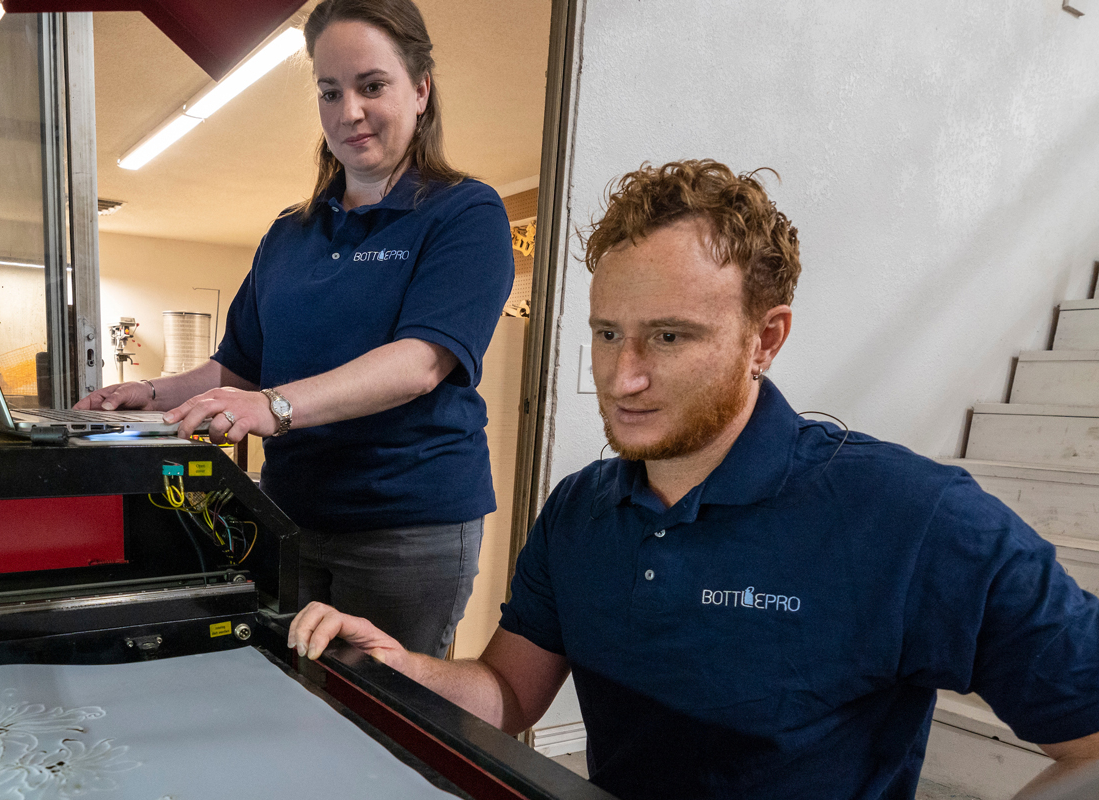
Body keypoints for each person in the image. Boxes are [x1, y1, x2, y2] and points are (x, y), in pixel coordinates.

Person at [287, 160, 1099, 799]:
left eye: (669, 337)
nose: (621, 377)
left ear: (764, 339)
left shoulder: (915, 520)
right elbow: (508, 693)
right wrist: (402, 669)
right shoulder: (581, 511)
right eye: (608, 333)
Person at [74, 0, 513, 657]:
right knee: (289, 688)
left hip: (404, 528)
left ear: (420, 91)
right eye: (330, 91)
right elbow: (240, 365)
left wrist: (274, 407)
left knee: (385, 711)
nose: (349, 112)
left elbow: (421, 362)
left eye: (372, 86)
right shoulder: (290, 233)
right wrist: (154, 394)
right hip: (290, 517)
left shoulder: (463, 213)